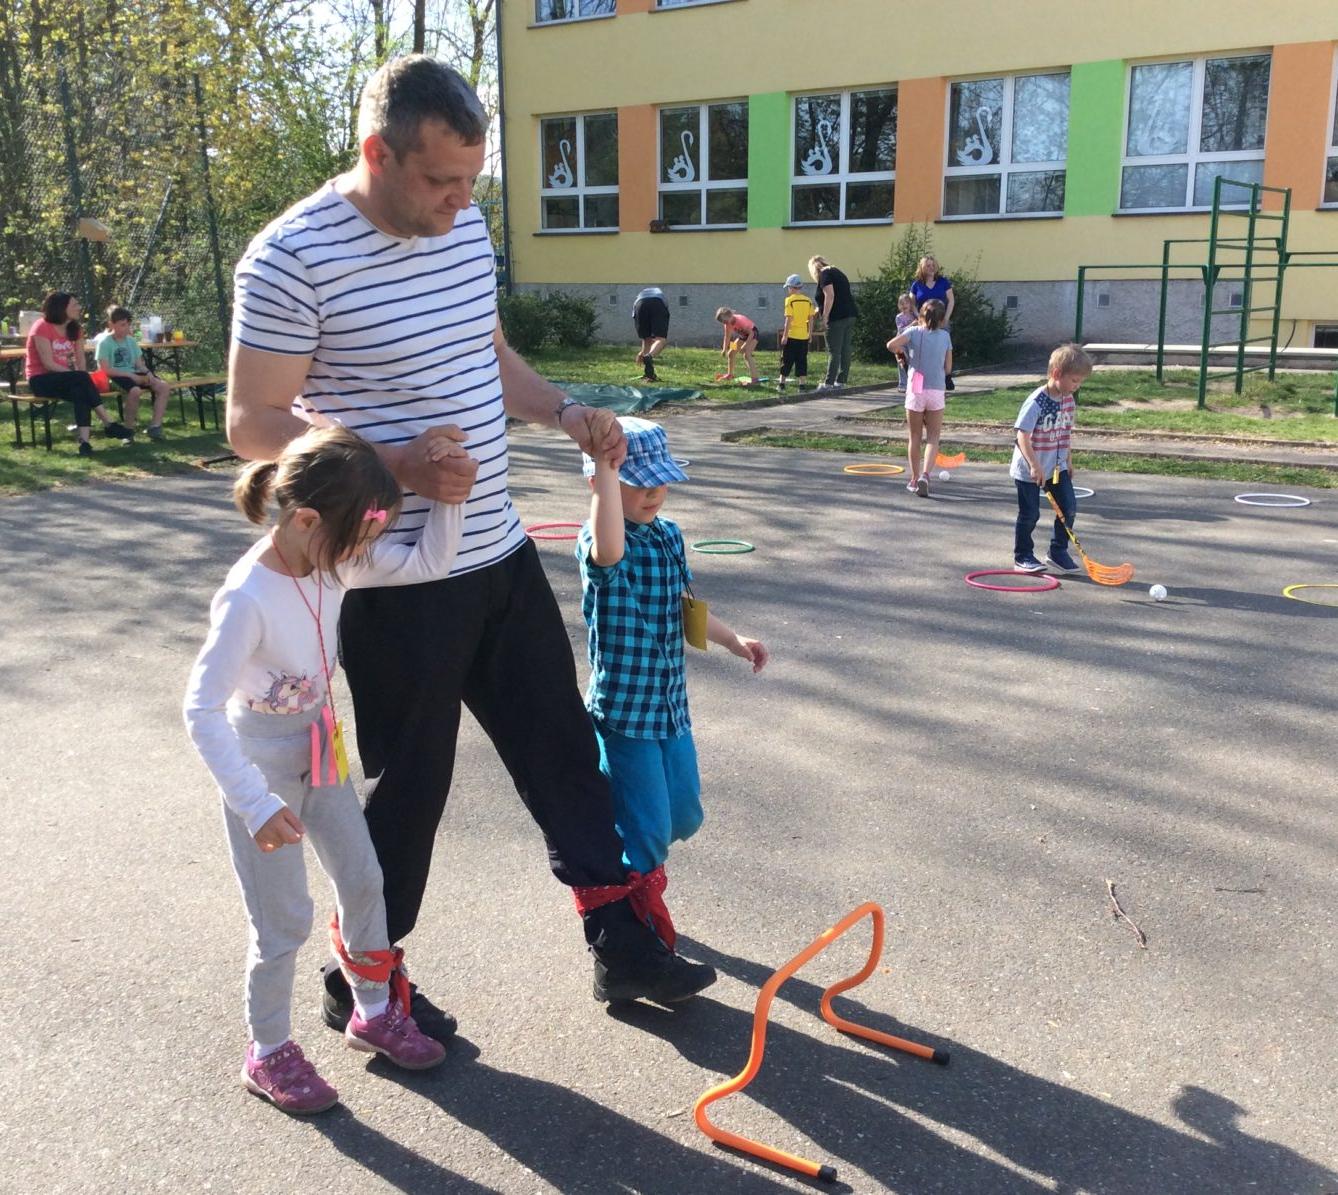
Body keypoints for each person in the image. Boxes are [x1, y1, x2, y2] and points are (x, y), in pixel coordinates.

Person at [227, 55, 715, 1036]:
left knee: (565, 755)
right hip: (393, 578)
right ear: (378, 153)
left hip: (495, 552)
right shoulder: (289, 258)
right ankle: (361, 980)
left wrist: (568, 410)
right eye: (440, 182)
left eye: (472, 183)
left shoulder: (462, 231)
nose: (460, 205)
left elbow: (486, 357)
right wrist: (396, 465)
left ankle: (625, 949)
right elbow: (252, 421)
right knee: (411, 789)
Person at [184, 426, 464, 1115]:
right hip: (261, 769)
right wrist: (252, 801)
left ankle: (372, 1009)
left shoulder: (330, 559)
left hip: (318, 748)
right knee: (282, 921)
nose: (364, 553)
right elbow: (199, 707)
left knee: (365, 878)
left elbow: (429, 558)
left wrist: (454, 492)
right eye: (358, 537)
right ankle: (268, 1050)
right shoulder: (248, 596)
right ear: (306, 520)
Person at [578, 417, 767, 885]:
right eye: (639, 482)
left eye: (661, 480)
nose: (655, 491)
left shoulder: (668, 536)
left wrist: (732, 640)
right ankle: (627, 902)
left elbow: (684, 606)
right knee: (648, 833)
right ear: (598, 482)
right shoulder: (600, 543)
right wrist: (605, 465)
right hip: (625, 712)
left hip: (668, 705)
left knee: (684, 817)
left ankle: (612, 811)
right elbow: (609, 549)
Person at [1010, 344, 1093, 573]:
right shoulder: (1037, 401)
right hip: (1030, 469)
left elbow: (1064, 432)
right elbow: (1022, 436)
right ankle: (1023, 555)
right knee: (1030, 514)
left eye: (1080, 382)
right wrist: (1034, 466)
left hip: (1057, 468)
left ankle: (1057, 552)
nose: (1077, 386)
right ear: (1057, 374)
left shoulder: (1068, 400)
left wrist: (1069, 460)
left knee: (1069, 508)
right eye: (1075, 380)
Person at [24, 291, 132, 456]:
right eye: (74, 305)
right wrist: (77, 376)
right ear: (61, 308)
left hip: (68, 378)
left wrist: (79, 377)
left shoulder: (75, 328)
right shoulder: (41, 327)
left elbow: (80, 360)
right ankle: (108, 423)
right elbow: (48, 364)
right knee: (81, 379)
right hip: (41, 379)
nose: (79, 308)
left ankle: (85, 443)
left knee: (81, 391)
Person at [886, 299, 952, 497]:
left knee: (914, 436)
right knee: (933, 437)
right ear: (942, 319)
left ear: (921, 316)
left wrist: (904, 351)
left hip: (916, 386)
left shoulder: (913, 333)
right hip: (936, 388)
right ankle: (925, 475)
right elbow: (948, 368)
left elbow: (891, 345)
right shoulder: (946, 337)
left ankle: (914, 479)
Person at [95, 305, 171, 440]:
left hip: (134, 374)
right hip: (115, 376)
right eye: (122, 325)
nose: (127, 328)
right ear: (111, 324)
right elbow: (105, 370)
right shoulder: (104, 343)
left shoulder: (131, 341)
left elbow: (139, 364)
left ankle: (155, 427)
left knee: (163, 386)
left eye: (128, 325)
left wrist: (148, 373)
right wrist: (131, 376)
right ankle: (128, 431)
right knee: (135, 390)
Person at [808, 255, 857, 390]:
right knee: (845, 348)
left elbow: (830, 295)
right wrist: (819, 308)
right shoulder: (838, 272)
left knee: (834, 351)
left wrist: (825, 317)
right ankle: (841, 381)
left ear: (814, 269)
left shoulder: (824, 274)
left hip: (836, 318)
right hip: (850, 314)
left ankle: (828, 383)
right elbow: (839, 295)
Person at [910, 256, 956, 390]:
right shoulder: (917, 284)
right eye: (927, 265)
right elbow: (912, 303)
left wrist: (946, 318)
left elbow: (951, 300)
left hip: (941, 322)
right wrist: (919, 318)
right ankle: (917, 385)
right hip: (923, 324)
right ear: (922, 268)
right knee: (921, 353)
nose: (931, 268)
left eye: (932, 265)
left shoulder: (943, 282)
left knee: (943, 350)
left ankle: (945, 378)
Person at [777, 274, 815, 391]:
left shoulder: (789, 300)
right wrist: (810, 334)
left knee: (787, 360)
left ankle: (782, 384)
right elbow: (811, 319)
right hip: (804, 336)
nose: (788, 290)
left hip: (792, 336)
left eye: (788, 287)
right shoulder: (808, 301)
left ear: (792, 288)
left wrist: (785, 335)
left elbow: (788, 319)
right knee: (802, 360)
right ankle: (802, 386)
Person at [714, 306, 760, 385]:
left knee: (746, 355)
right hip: (742, 336)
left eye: (724, 320)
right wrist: (724, 349)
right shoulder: (727, 324)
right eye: (722, 322)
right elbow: (727, 337)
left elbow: (751, 333)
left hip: (753, 334)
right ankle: (730, 375)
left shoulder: (740, 320)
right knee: (731, 353)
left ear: (730, 315)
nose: (724, 323)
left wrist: (745, 345)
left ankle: (755, 379)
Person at [632, 287, 670, 382]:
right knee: (660, 339)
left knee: (646, 338)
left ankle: (649, 374)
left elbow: (646, 338)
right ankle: (649, 357)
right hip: (657, 304)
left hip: (639, 305)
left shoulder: (639, 298)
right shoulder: (660, 298)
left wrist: (642, 351)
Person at [892, 293, 917, 391]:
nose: (904, 305)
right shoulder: (899, 317)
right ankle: (903, 384)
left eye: (906, 303)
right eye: (901, 303)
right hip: (900, 343)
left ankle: (914, 384)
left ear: (911, 304)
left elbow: (922, 322)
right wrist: (912, 324)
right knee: (901, 362)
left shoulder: (914, 315)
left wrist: (916, 312)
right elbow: (901, 330)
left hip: (912, 343)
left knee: (913, 362)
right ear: (899, 306)